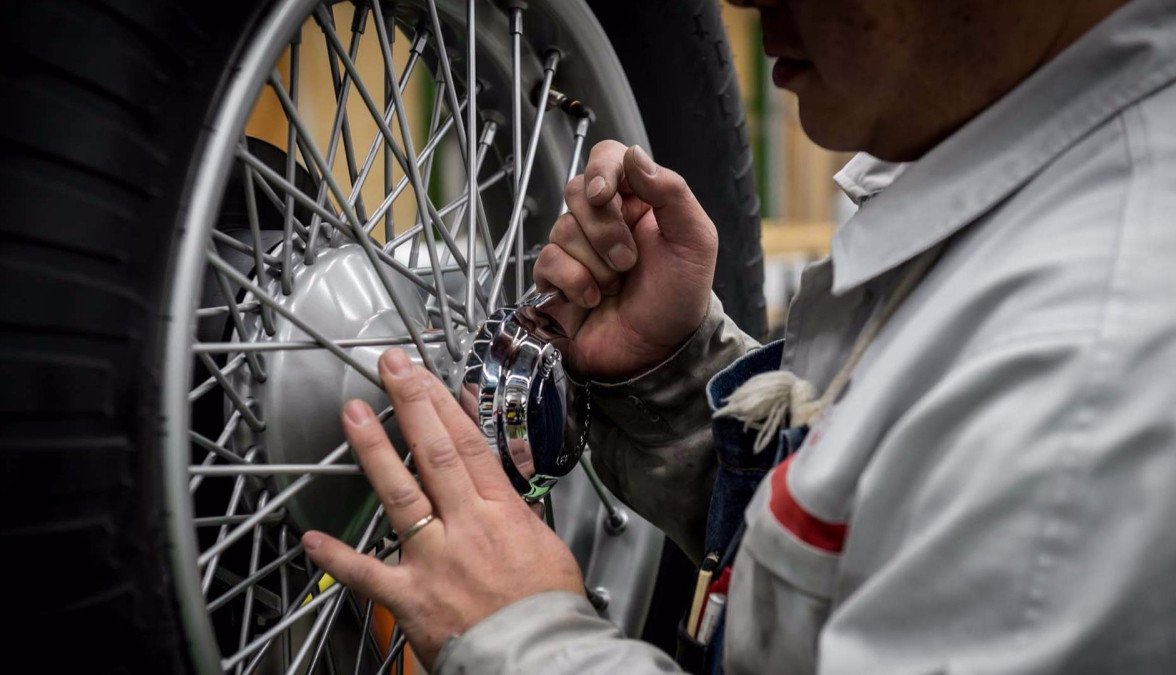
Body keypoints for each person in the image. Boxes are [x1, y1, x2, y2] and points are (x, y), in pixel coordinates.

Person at [301, 0, 1176, 672]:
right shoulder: (1013, 189)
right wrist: (674, 386)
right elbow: (883, 547)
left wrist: (522, 635)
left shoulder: (1097, 386)